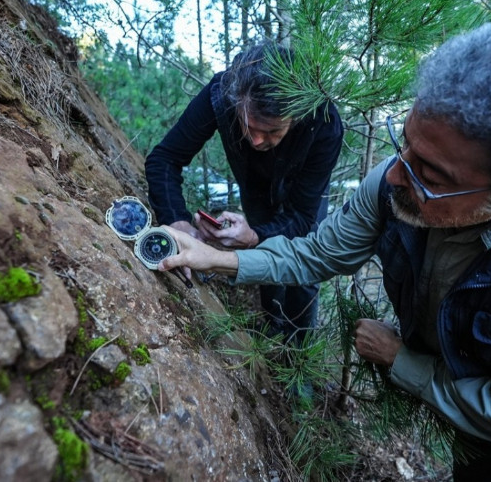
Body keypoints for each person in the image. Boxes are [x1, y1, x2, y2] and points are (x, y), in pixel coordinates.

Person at [157, 20, 491, 481]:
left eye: (432, 175)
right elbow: (317, 254)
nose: (395, 175)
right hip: (472, 417)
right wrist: (216, 258)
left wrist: (402, 360)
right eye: (405, 143)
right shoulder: (398, 178)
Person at [145, 43, 343, 344]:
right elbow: (165, 159)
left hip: (305, 190)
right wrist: (178, 221)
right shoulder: (222, 93)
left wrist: (253, 235)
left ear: (297, 116)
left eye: (272, 131)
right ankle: (271, 327)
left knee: (305, 268)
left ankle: (298, 352)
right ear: (236, 100)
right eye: (248, 125)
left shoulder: (324, 121)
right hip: (255, 183)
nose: (256, 140)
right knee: (264, 253)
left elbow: (302, 217)